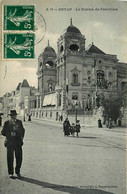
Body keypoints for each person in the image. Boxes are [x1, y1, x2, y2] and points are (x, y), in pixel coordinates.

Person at [1, 110, 25, 178]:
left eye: (14, 115)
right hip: (10, 143)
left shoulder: (19, 122)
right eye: (12, 116)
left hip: (18, 143)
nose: (14, 117)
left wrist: (21, 138)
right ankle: (10, 173)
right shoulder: (7, 123)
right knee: (10, 158)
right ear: (10, 116)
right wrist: (10, 134)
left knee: (19, 158)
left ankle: (18, 171)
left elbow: (23, 131)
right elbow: (2, 132)